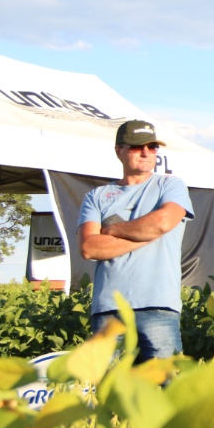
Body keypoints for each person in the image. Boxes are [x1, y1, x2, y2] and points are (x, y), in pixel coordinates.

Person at [78, 120, 194, 363]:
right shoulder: (96, 197)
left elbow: (162, 222)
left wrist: (112, 231)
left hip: (158, 306)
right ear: (118, 150)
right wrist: (146, 234)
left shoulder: (171, 185)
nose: (146, 153)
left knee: (163, 390)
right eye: (137, 147)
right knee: (111, 392)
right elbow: (89, 247)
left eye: (152, 147)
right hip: (108, 309)